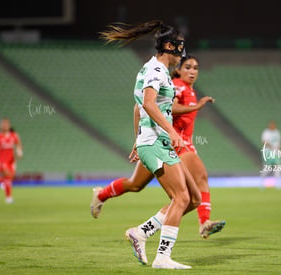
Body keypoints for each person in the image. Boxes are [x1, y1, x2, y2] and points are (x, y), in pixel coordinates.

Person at [92, 20, 201, 269]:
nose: (180, 59)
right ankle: (162, 257)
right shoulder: (156, 71)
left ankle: (140, 232)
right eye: (179, 51)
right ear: (169, 47)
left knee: (193, 198)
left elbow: (137, 106)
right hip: (156, 142)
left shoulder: (154, 70)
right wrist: (171, 131)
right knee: (181, 197)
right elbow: (149, 104)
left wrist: (137, 138)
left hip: (154, 141)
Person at [171, 55, 225, 237]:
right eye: (187, 67)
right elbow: (171, 107)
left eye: (195, 68)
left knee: (135, 184)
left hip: (186, 142)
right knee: (188, 190)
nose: (192, 71)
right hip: (175, 141)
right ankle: (146, 230)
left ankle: (102, 195)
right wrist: (197, 107)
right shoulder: (178, 85)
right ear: (178, 70)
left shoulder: (189, 90)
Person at [0, 118, 23, 204]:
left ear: (9, 125)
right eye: (3, 124)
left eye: (6, 124)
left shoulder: (14, 135)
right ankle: (8, 199)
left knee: (9, 178)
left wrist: (19, 152)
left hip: (11, 160)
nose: (5, 125)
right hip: (1, 161)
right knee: (7, 177)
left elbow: (18, 145)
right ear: (0, 125)